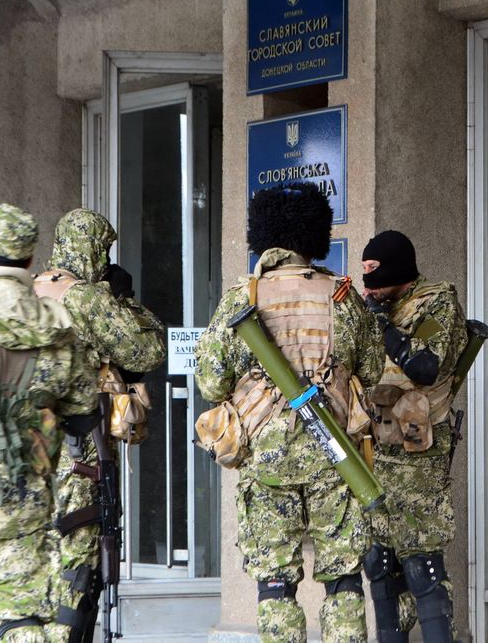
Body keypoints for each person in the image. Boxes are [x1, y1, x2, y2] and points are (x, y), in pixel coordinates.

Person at [194, 183, 382, 643]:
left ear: (264, 233)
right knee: (343, 582)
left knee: (275, 586)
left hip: (267, 462)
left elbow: (210, 381)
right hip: (336, 459)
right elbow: (373, 368)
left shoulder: (246, 296)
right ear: (315, 233)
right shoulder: (341, 295)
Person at [0, 203, 97, 642]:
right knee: (21, 620)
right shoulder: (60, 330)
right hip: (27, 500)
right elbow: (83, 412)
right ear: (30, 262)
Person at [32, 208, 166, 642]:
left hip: (28, 451)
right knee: (79, 563)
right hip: (79, 447)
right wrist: (124, 302)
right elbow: (147, 352)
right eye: (103, 249)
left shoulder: (29, 290)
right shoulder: (85, 297)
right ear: (92, 248)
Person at [360, 230, 468, 643]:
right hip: (376, 448)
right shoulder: (375, 304)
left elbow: (425, 367)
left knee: (421, 563)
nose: (369, 285)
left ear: (399, 272)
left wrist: (383, 326)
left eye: (376, 274)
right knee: (380, 561)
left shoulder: (436, 302)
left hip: (418, 453)